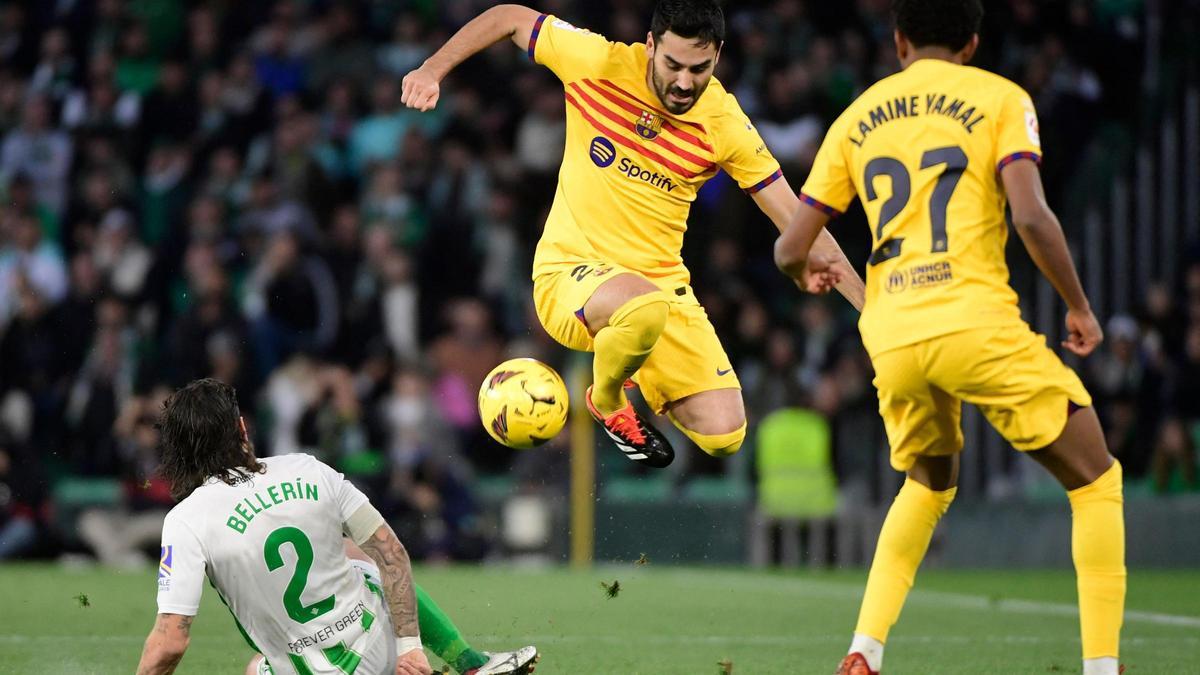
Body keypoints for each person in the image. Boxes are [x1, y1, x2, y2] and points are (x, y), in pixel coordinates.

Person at [772, 2, 1124, 674]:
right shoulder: (999, 96)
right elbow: (1031, 215)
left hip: (894, 333)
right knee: (1096, 478)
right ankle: (1102, 666)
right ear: (970, 42)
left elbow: (792, 246)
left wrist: (807, 272)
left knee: (928, 484)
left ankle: (862, 652)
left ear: (899, 40)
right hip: (973, 320)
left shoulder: (857, 116)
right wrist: (1078, 306)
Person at [401, 0, 865, 468]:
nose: (684, 82)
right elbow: (507, 17)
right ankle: (608, 400)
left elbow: (800, 221)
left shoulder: (724, 124)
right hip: (570, 275)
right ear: (650, 46)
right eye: (673, 64)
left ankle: (625, 356)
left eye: (699, 68)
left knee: (724, 434)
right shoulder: (598, 62)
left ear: (718, 56)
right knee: (643, 307)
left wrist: (872, 314)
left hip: (659, 291)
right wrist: (431, 69)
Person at [134, 379, 538, 675]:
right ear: (242, 429)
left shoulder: (186, 520)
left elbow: (171, 642)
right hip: (381, 652)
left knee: (259, 666)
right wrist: (410, 649)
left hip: (308, 670)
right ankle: (469, 663)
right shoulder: (306, 468)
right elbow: (392, 553)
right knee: (363, 556)